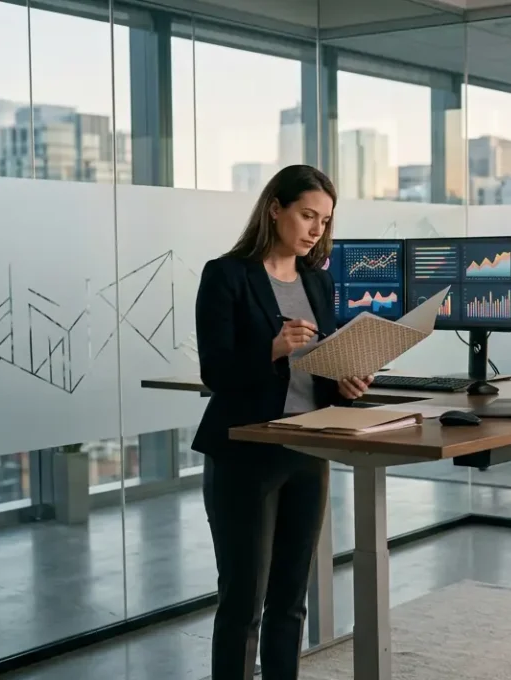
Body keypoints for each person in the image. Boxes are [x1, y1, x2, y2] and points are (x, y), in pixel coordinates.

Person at [192, 164, 372, 680]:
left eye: (325, 220)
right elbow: (217, 372)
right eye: (307, 215)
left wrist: (344, 382)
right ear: (276, 209)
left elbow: (324, 363)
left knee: (292, 601)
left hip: (306, 450)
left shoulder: (318, 280)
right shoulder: (226, 275)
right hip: (245, 454)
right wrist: (272, 348)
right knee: (243, 602)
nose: (317, 229)